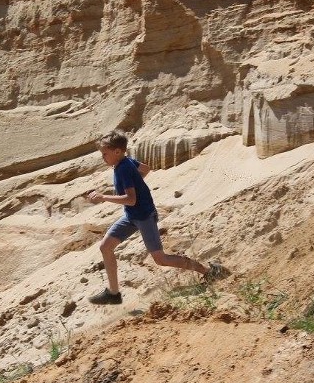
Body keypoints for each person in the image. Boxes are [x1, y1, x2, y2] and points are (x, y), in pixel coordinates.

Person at [85, 130, 223, 305]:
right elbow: (145, 169)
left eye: (105, 154)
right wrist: (137, 181)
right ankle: (113, 293)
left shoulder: (123, 170)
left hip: (144, 217)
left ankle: (209, 271)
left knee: (161, 259)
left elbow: (131, 199)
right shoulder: (125, 162)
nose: (103, 157)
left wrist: (104, 197)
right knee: (106, 247)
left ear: (117, 152)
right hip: (132, 216)